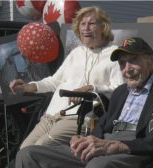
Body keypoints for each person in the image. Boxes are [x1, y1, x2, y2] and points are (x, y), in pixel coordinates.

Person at [15, 37, 153, 168]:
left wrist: (115, 146)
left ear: (151, 61)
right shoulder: (120, 92)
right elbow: (102, 125)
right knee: (28, 154)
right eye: (122, 64)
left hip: (136, 151)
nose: (127, 69)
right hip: (104, 146)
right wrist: (83, 140)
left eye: (133, 61)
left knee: (97, 166)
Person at [9, 6, 124, 149]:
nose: (86, 28)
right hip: (50, 116)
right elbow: (54, 81)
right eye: (82, 24)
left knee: (41, 147)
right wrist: (27, 86)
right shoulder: (76, 53)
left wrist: (92, 88)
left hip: (78, 118)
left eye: (91, 23)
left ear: (103, 27)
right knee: (24, 149)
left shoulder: (114, 54)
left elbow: (120, 90)